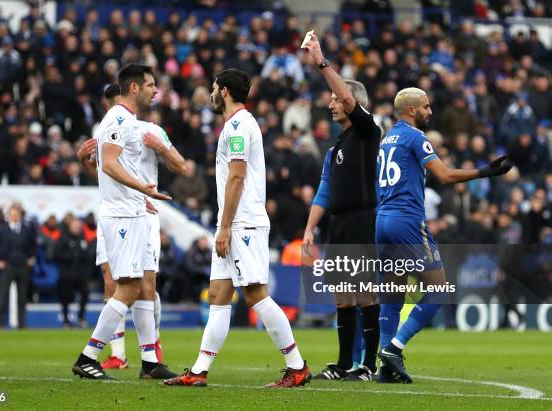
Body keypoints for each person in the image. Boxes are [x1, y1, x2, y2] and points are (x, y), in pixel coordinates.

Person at [164, 69, 311, 388]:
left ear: (226, 91)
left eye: (215, 89)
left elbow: (237, 177)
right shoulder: (235, 126)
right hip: (232, 222)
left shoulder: (240, 127)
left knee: (256, 295)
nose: (211, 94)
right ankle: (200, 371)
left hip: (242, 223)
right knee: (218, 294)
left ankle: (296, 366)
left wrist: (226, 226)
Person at [376, 87, 513, 383]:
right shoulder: (415, 136)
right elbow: (445, 175)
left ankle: (384, 369)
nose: (430, 111)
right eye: (426, 106)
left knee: (392, 293)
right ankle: (394, 349)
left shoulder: (387, 139)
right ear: (411, 110)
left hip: (383, 220)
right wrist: (484, 172)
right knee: (439, 290)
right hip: (407, 220)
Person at [78, 82, 187, 377]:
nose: (155, 91)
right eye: (151, 86)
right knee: (121, 285)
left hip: (140, 211)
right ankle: (97, 355)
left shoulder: (148, 130)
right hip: (124, 212)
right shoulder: (114, 123)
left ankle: (149, 357)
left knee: (142, 286)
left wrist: (160, 148)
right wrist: (83, 161)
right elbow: (106, 171)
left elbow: (183, 167)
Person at [301, 33, 381, 382]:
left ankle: (369, 364)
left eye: (336, 100)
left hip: (363, 218)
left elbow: (347, 95)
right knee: (342, 296)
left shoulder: (367, 132)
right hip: (339, 222)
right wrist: (308, 229)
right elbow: (324, 192)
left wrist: (321, 60)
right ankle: (345, 363)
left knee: (364, 291)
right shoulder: (337, 148)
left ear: (352, 104)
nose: (331, 104)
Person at [0, 206, 37, 328]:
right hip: (8, 265)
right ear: (9, 216)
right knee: (3, 295)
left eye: (16, 214)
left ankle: (21, 322)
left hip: (22, 266)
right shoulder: (2, 229)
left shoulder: (26, 229)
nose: (15, 216)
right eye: (12, 214)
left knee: (22, 296)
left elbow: (33, 244)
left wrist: (31, 257)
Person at [54, 218, 92, 328]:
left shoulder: (83, 238)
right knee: (65, 297)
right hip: (66, 274)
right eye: (74, 227)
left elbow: (88, 254)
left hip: (80, 274)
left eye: (78, 227)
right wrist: (72, 255)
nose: (76, 229)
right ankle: (66, 320)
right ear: (70, 227)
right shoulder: (62, 238)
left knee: (85, 294)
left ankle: (81, 318)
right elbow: (57, 255)